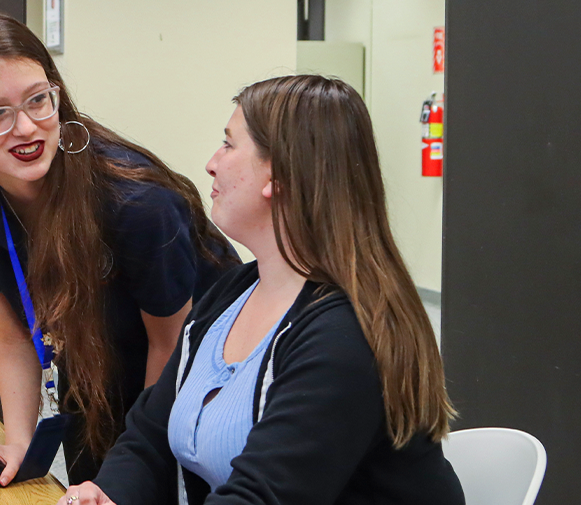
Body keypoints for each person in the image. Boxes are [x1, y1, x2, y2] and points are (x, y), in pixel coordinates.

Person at [57, 75, 464, 505]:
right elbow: (150, 434)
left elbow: (263, 497)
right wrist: (107, 494)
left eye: (229, 144)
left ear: (279, 176)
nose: (212, 163)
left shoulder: (345, 338)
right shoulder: (232, 291)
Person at [0, 15, 240, 486]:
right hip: (93, 376)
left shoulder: (136, 203)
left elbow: (170, 343)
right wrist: (20, 446)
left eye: (38, 101)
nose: (26, 128)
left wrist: (134, 470)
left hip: (195, 388)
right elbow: (11, 336)